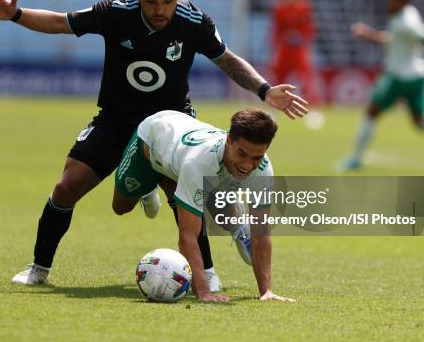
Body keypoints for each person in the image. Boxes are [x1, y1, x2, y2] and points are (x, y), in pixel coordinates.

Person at [0, 0, 308, 289]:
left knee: (185, 196)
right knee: (67, 187)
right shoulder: (116, 12)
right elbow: (63, 22)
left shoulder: (195, 21)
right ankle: (39, 268)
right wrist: (15, 15)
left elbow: (226, 59)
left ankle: (208, 270)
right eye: (150, 1)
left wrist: (263, 89)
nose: (159, 9)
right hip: (117, 119)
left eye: (167, 1)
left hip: (172, 125)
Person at [112, 109, 294, 303]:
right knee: (121, 206)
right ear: (229, 140)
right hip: (151, 144)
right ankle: (147, 189)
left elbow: (261, 233)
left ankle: (234, 218)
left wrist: (266, 291)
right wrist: (204, 292)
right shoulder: (198, 163)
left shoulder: (264, 170)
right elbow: (187, 236)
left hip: (189, 162)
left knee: (211, 196)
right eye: (242, 153)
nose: (248, 165)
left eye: (256, 158)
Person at [342, 0, 424, 170]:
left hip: (400, 78)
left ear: (401, 2)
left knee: (371, 112)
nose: (389, 2)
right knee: (423, 124)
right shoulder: (405, 15)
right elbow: (394, 39)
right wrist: (368, 34)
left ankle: (354, 160)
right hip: (416, 76)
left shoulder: (406, 22)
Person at [270, 0, 323, 129]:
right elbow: (276, 30)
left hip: (298, 50)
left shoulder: (304, 7)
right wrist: (276, 47)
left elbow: (309, 27)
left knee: (306, 79)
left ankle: (314, 110)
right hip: (285, 50)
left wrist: (303, 40)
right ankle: (274, 111)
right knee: (279, 81)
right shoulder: (279, 8)